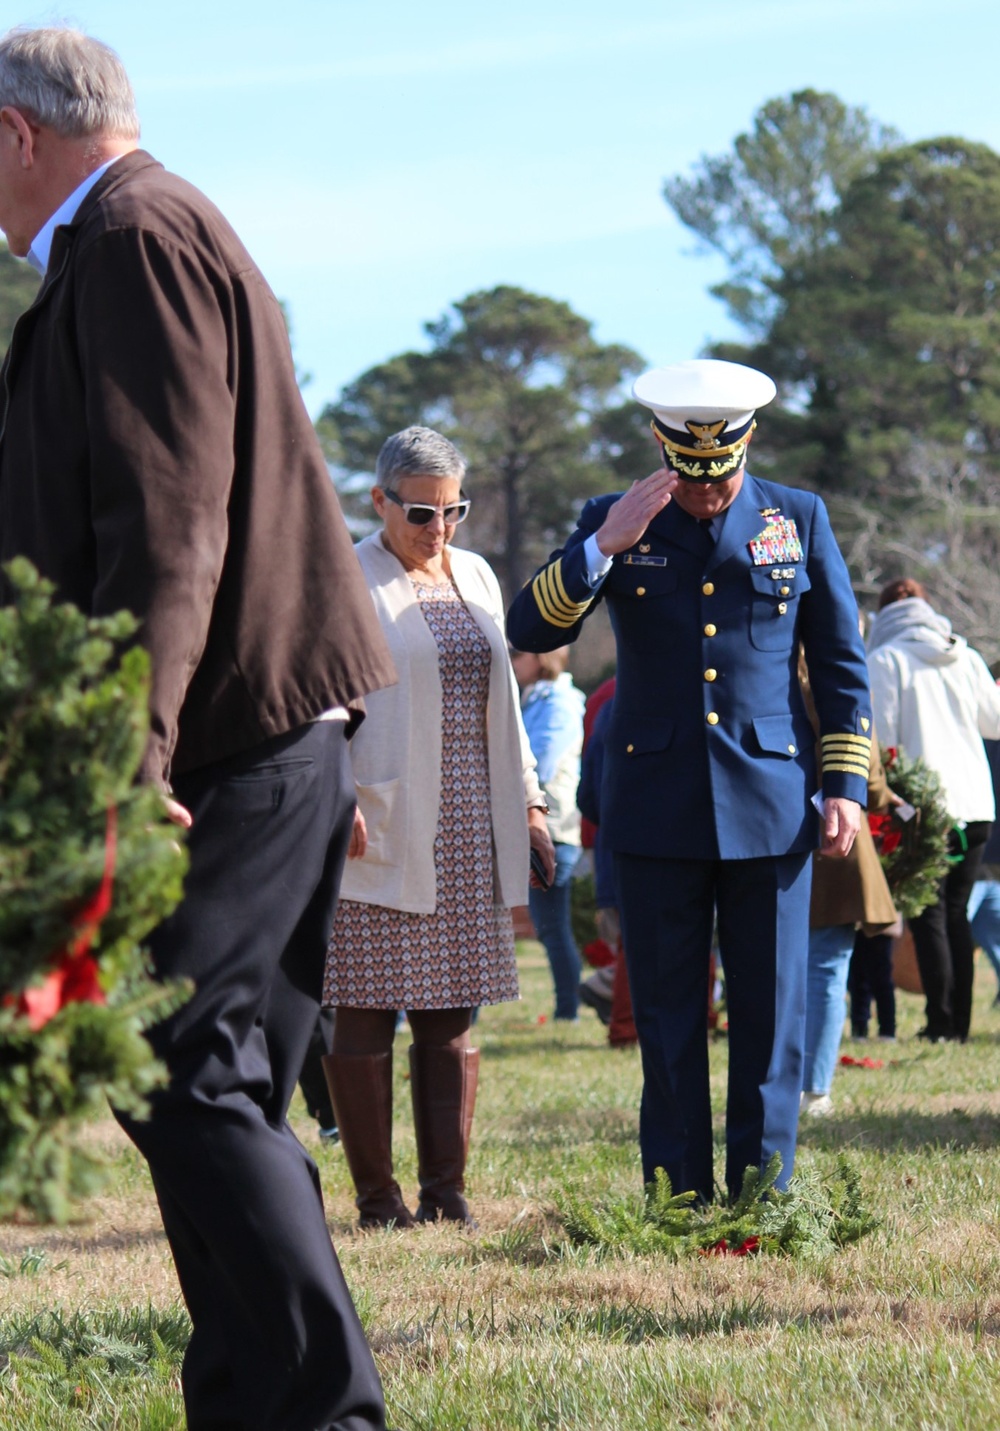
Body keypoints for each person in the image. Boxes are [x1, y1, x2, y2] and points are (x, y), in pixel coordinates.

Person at [0, 27, 397, 1431]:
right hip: (248, 737)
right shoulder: (133, 234)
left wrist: (130, 749)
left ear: (14, 134)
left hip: (221, 746)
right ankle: (248, 1396)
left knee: (191, 1071)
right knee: (213, 1083)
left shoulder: (136, 236)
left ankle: (324, 1405)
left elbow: (171, 524)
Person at [507, 357, 872, 1203]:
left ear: (744, 450)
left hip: (772, 804)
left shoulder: (799, 517)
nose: (706, 493)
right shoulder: (612, 519)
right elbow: (526, 625)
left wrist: (844, 785)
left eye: (721, 475)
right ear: (663, 452)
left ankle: (763, 1195)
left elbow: (843, 663)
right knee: (668, 1017)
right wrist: (602, 548)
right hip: (655, 802)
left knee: (772, 1016)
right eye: (690, 476)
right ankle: (677, 1195)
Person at [322, 426, 554, 1229]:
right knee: (363, 1009)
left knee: (450, 1013)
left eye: (456, 508)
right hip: (379, 816)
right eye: (421, 511)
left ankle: (445, 1192)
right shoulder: (346, 577)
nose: (440, 527)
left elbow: (510, 711)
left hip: (468, 821)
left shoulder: (479, 575)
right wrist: (333, 791)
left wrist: (529, 803)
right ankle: (378, 1200)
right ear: (378, 499)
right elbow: (318, 696)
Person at [868, 578, 1000, 1042]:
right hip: (975, 805)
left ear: (884, 617)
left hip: (922, 807)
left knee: (928, 916)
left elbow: (879, 742)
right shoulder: (964, 656)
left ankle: (941, 1024)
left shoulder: (884, 661)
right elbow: (996, 721)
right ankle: (957, 1025)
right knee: (956, 914)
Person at [799, 654, 899, 1117]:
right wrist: (891, 800)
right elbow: (870, 778)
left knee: (779, 973)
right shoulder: (841, 687)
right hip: (835, 845)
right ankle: (815, 1088)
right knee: (825, 971)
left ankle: (783, 1081)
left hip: (774, 839)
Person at [510, 646, 586, 1021]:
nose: (511, 660)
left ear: (541, 657)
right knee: (550, 927)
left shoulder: (559, 703)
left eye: (516, 653)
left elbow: (540, 764)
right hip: (537, 826)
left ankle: (567, 1012)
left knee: (553, 928)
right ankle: (566, 1010)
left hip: (551, 830)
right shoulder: (534, 700)